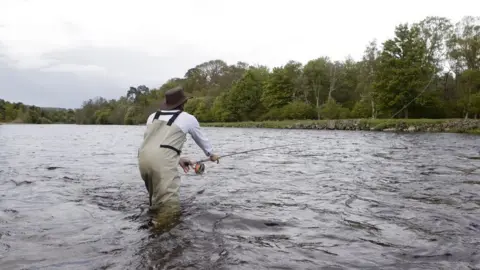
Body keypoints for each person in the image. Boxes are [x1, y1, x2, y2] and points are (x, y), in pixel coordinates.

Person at [137, 86, 219, 216]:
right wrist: (212, 154)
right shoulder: (188, 118)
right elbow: (202, 140)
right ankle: (162, 230)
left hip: (143, 159)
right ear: (183, 103)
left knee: (155, 201)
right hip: (162, 162)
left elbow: (154, 145)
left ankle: (151, 227)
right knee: (169, 208)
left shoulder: (152, 116)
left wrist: (178, 159)